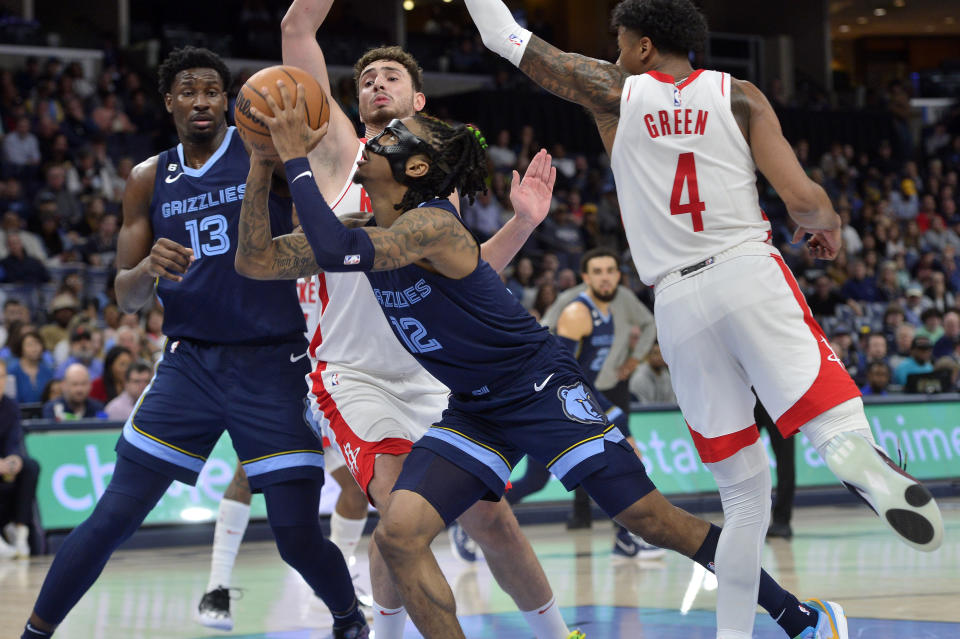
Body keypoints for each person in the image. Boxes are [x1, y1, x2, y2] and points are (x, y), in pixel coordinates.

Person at [249, 86, 846, 639]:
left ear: (417, 167)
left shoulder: (431, 226)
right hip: (475, 409)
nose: (368, 139)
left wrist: (294, 155)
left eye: (385, 139)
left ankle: (800, 615)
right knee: (401, 535)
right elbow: (255, 262)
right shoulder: (364, 227)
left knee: (651, 519)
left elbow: (330, 247)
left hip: (537, 386)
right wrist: (258, 165)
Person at [463, 0, 943, 636]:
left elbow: (502, 34)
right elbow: (805, 199)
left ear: (640, 49)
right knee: (834, 425)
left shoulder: (616, 93)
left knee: (743, 499)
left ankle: (734, 634)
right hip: (747, 269)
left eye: (618, 44)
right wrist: (824, 227)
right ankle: (860, 458)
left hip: (678, 302)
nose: (613, 56)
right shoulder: (740, 95)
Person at [225, 5, 575, 638]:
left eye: (391, 76)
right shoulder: (338, 152)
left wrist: (523, 223)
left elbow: (470, 276)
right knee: (398, 517)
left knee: (493, 521)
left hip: (433, 373)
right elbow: (296, 30)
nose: (376, 83)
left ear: (419, 97)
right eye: (365, 79)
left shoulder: (434, 178)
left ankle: (559, 634)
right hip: (357, 375)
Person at [19, 47, 367, 639]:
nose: (201, 100)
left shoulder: (263, 152)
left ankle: (349, 622)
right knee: (111, 518)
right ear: (169, 102)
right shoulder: (147, 179)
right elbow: (126, 298)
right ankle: (33, 634)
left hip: (274, 363)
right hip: (190, 367)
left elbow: (327, 186)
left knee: (297, 536)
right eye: (188, 91)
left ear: (228, 100)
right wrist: (147, 267)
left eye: (212, 90)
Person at [501, 247, 664, 560]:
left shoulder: (612, 310)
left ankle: (625, 538)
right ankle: (478, 517)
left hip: (580, 396)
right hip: (559, 398)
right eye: (597, 272)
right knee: (627, 460)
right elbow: (562, 370)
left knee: (536, 480)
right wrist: (609, 410)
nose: (605, 278)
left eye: (610, 271)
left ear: (619, 276)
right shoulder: (577, 313)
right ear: (586, 277)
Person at [0, 359, 39, 559]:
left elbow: (14, 440)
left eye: (2, 376)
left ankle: (20, 533)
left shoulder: (10, 406)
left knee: (31, 467)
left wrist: (14, 459)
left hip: (4, 464)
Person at [8, 330, 54, 405]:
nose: (34, 348)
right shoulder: (12, 372)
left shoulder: (49, 371)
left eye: (37, 344)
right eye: (29, 345)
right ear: (21, 348)